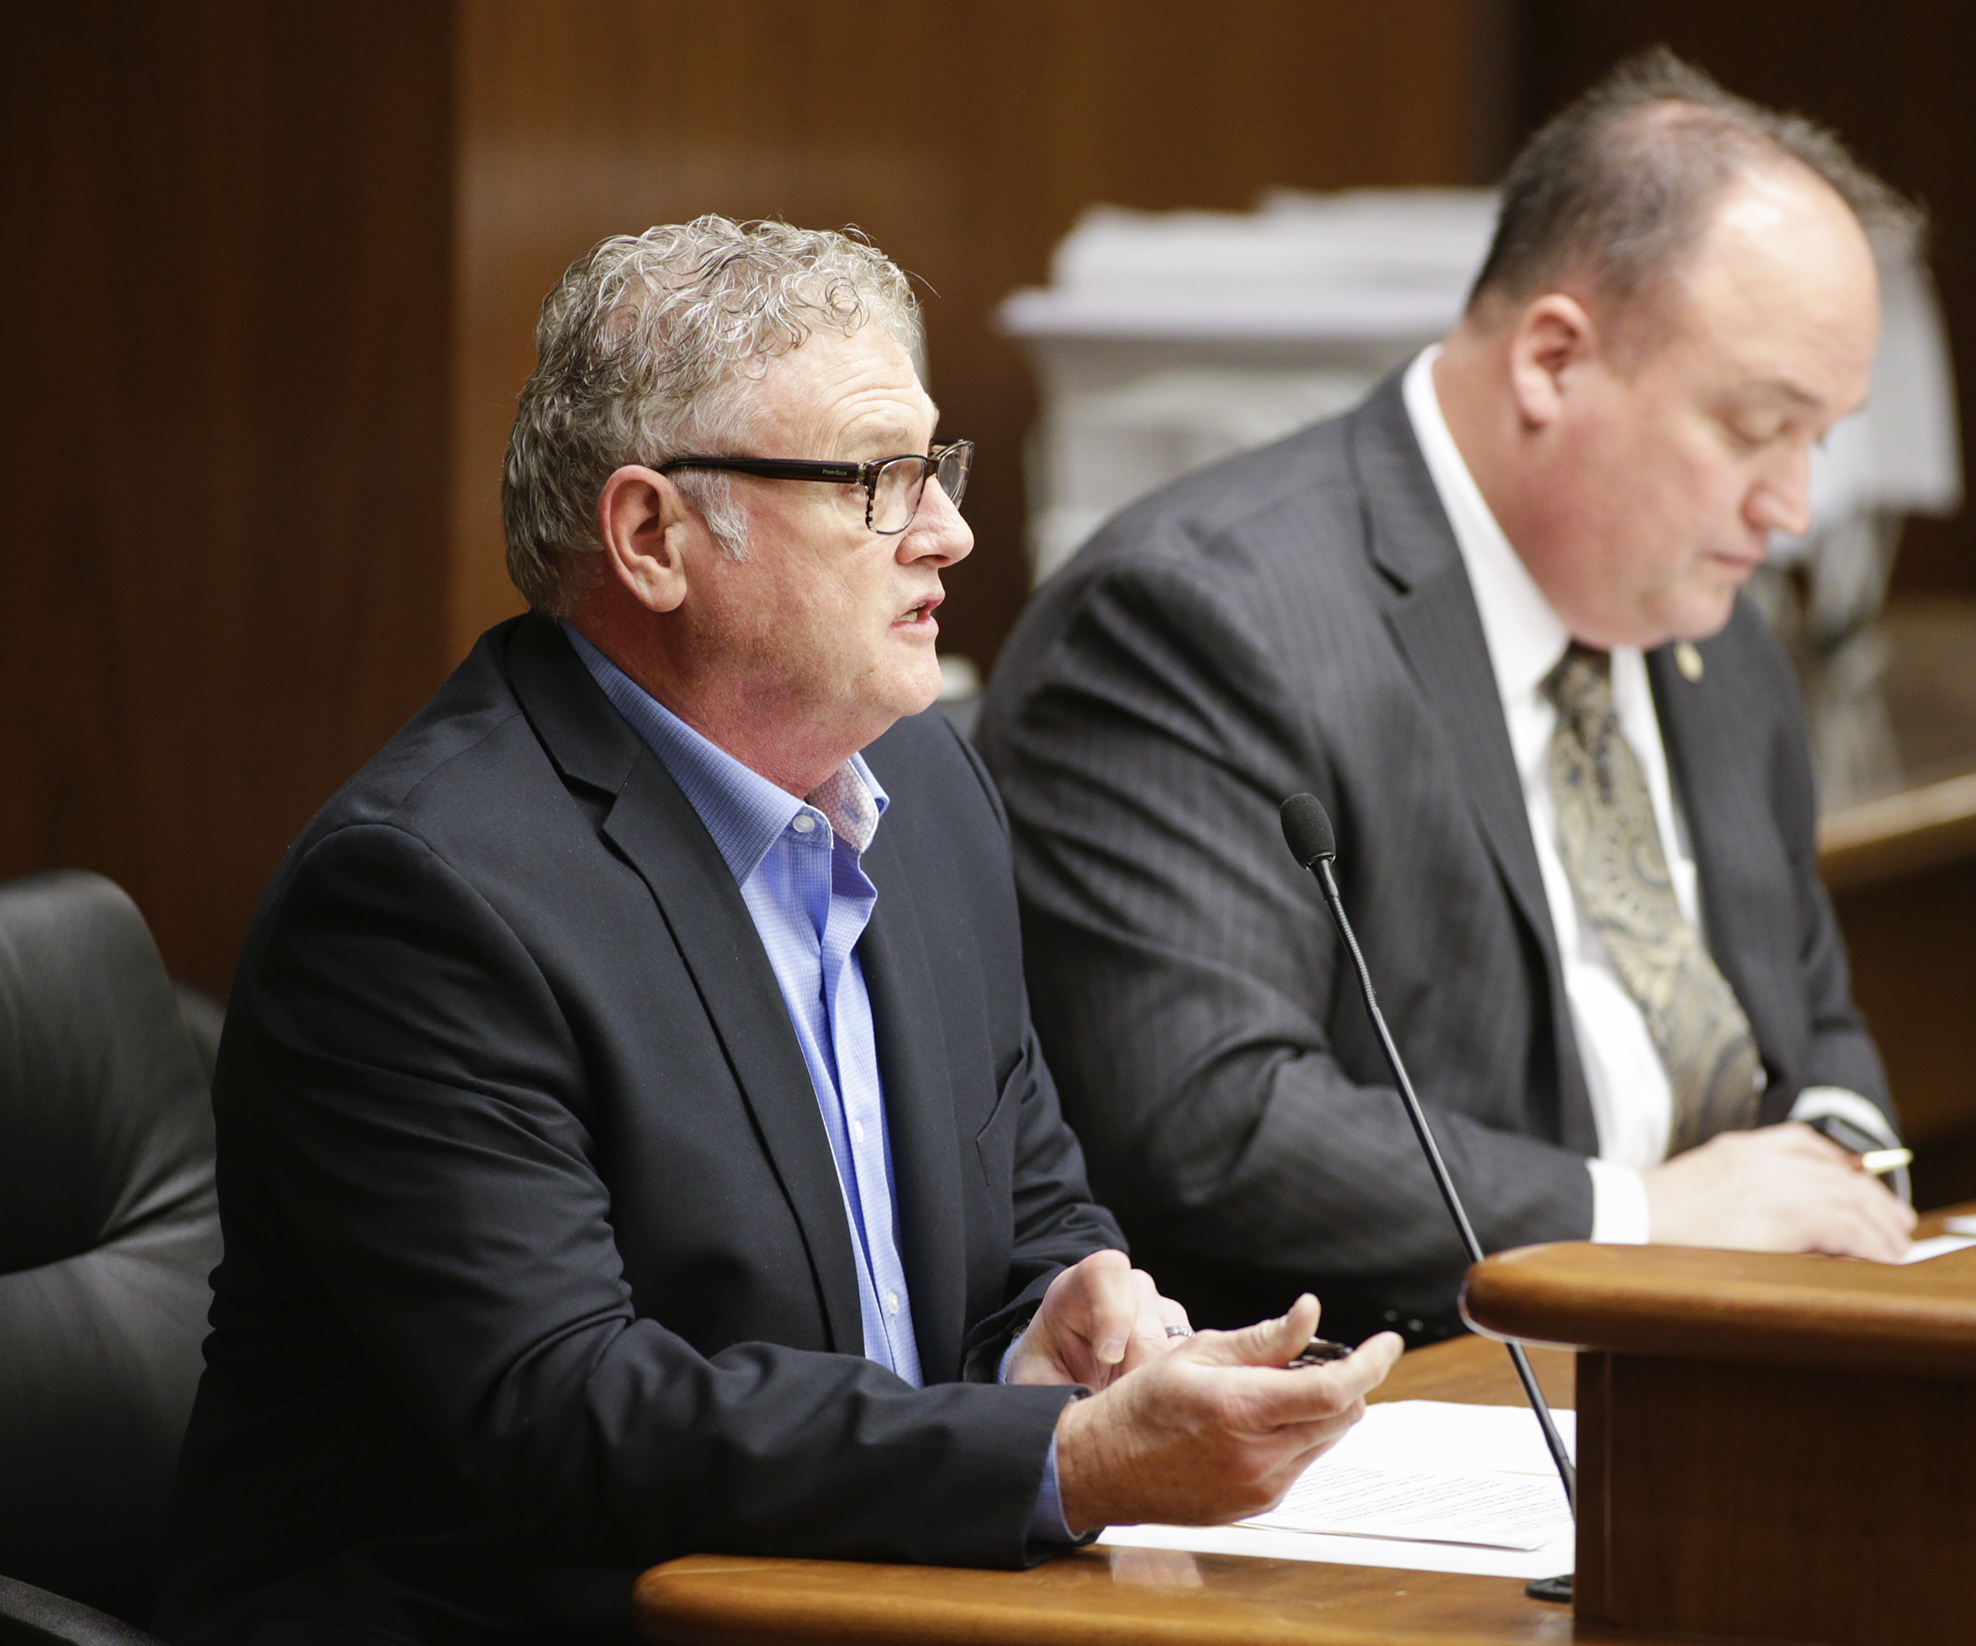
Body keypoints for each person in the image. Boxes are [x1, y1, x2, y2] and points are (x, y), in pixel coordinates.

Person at [159, 218, 1399, 1646]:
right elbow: (570, 1410)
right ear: (652, 537)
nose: (949, 530)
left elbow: (1032, 1187)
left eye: (937, 469)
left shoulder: (922, 784)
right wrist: (1060, 1462)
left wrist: (1058, 1317)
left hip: (863, 1597)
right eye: (879, 479)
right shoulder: (422, 898)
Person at [976, 50, 1919, 1351]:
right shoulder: (1193, 617)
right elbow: (1210, 1117)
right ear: (1551, 360)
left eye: (1822, 438)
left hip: (1732, 1371)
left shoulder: (1716, 632)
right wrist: (1638, 1220)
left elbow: (1806, 1018)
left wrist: (1844, 1185)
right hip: (1401, 1402)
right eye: (1760, 426)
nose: (1793, 507)